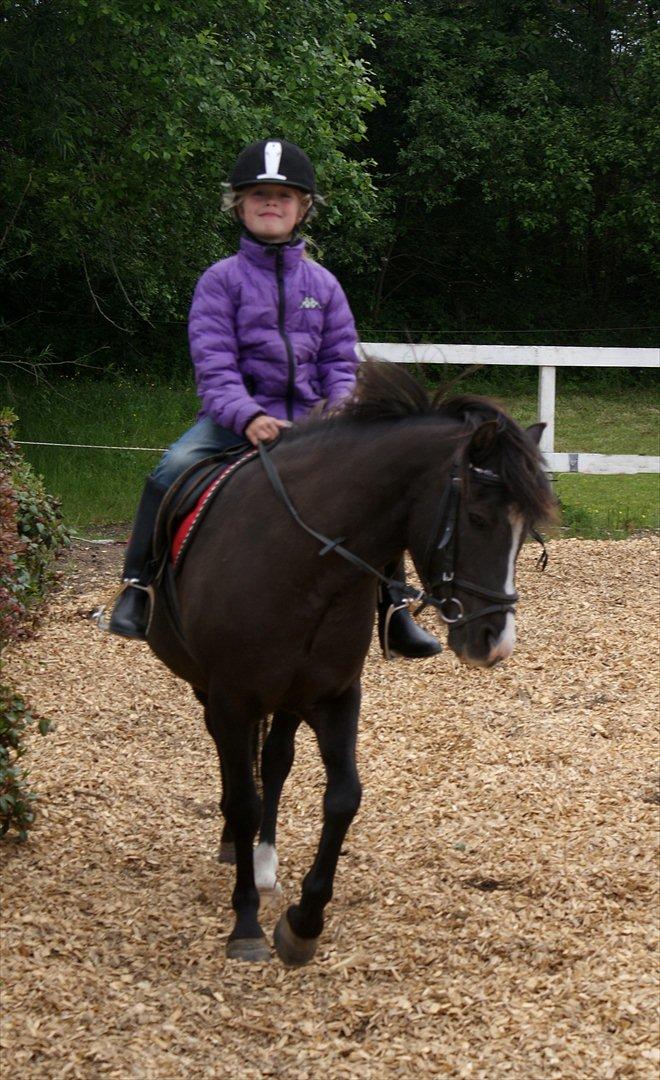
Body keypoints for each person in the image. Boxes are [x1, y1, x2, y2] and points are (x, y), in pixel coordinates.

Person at [107, 138, 440, 658]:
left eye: (283, 196)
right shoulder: (220, 282)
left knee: (378, 481)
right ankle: (139, 585)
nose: (271, 203)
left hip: (314, 422)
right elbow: (214, 365)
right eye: (259, 194)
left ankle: (394, 606)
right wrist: (248, 417)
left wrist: (337, 412)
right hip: (234, 420)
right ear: (238, 204)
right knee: (171, 467)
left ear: (302, 208)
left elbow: (340, 363)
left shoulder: (325, 286)